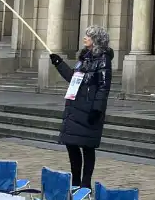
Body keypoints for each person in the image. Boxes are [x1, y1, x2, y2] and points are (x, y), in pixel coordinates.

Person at [48, 26, 113, 190]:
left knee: (87, 146)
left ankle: (85, 183)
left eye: (88, 36)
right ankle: (75, 181)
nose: (85, 38)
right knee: (72, 143)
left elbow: (104, 86)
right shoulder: (84, 58)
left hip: (89, 108)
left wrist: (97, 108)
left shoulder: (103, 59)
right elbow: (73, 78)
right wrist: (59, 63)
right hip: (75, 106)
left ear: (96, 40)